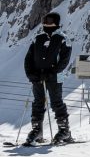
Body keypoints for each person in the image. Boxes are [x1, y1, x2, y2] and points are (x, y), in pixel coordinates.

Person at [22, 12, 73, 145]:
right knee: (38, 102)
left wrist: (51, 72)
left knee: (56, 102)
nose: (46, 24)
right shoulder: (38, 38)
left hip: (55, 77)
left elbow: (64, 60)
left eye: (49, 21)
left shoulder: (62, 39)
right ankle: (37, 131)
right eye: (44, 21)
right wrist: (31, 74)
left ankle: (64, 130)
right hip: (38, 77)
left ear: (56, 23)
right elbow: (28, 58)